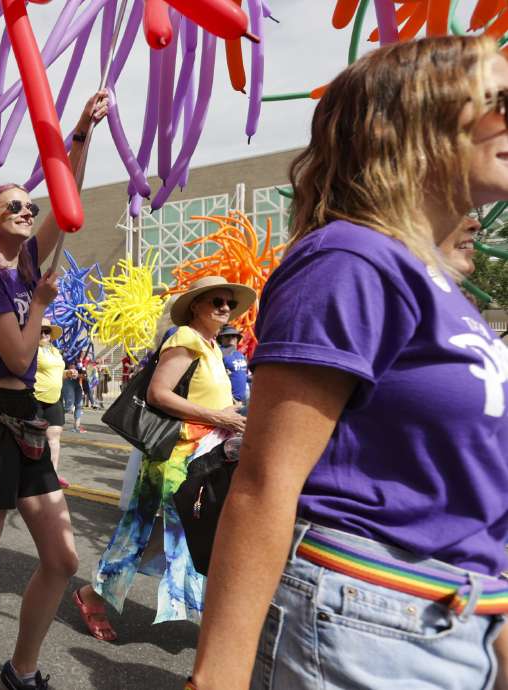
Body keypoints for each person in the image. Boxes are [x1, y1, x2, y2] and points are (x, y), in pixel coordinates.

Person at [191, 36, 508, 690]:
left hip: (457, 623)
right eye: (499, 101)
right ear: (419, 120)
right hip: (366, 624)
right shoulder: (351, 259)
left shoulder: (439, 288)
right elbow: (264, 484)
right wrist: (216, 677)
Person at [0, 88, 108, 690]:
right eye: (12, 206)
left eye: (27, 204)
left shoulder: (26, 264)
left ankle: (21, 669)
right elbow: (18, 356)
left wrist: (80, 135)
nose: (25, 209)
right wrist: (40, 304)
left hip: (29, 421)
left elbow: (65, 205)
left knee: (62, 559)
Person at [76, 275, 251, 642]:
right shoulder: (185, 337)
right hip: (175, 459)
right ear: (196, 306)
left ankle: (215, 622)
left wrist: (231, 411)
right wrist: (219, 417)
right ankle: (93, 595)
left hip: (206, 457)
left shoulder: (213, 346)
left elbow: (204, 398)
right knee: (148, 532)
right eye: (216, 300)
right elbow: (158, 394)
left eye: (229, 303)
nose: (224, 307)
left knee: (187, 533)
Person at [33, 319, 68, 489]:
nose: (43, 334)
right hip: (36, 398)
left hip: (54, 398)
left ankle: (52, 475)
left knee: (54, 436)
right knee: (34, 439)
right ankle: (31, 475)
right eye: (40, 331)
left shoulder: (55, 351)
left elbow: (57, 372)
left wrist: (68, 373)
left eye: (46, 331)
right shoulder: (31, 350)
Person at [217, 325, 250, 408]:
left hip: (242, 400)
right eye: (227, 336)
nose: (231, 338)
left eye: (233, 336)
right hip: (227, 401)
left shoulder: (240, 355)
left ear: (237, 339)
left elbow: (241, 373)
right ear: (221, 339)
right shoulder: (218, 354)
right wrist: (232, 399)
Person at [60, 357, 85, 433]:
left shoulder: (81, 358)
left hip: (77, 382)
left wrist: (85, 375)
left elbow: (84, 371)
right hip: (68, 382)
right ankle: (55, 418)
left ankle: (76, 427)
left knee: (79, 404)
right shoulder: (68, 354)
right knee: (69, 407)